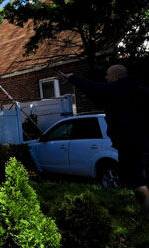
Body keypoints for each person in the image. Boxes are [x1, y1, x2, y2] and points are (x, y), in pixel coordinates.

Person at [58, 65, 149, 221]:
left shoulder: (117, 90)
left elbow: (93, 87)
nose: (106, 78)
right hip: (145, 142)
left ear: (115, 76)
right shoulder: (141, 90)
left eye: (108, 75)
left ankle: (147, 215)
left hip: (129, 144)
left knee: (137, 181)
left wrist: (72, 78)